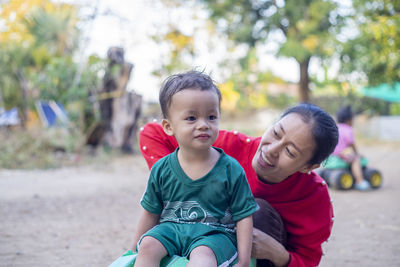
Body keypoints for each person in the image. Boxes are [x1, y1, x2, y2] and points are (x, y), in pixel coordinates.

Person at [139, 102, 339, 267]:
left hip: (256, 251)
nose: (271, 150)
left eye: (290, 152)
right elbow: (152, 132)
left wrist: (279, 254)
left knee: (257, 211)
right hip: (200, 237)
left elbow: (308, 260)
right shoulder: (229, 147)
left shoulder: (314, 197)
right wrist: (181, 185)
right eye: (276, 133)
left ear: (308, 167)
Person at [131, 71, 258, 267]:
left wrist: (243, 261)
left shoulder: (231, 169)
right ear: (168, 127)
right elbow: (150, 212)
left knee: (203, 257)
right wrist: (133, 251)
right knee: (148, 245)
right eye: (191, 118)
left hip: (214, 234)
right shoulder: (162, 169)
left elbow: (244, 217)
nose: (203, 125)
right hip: (171, 229)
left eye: (211, 117)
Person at [331, 105, 370, 191]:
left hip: (332, 154)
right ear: (349, 120)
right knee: (355, 159)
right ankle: (360, 181)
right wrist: (357, 153)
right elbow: (351, 144)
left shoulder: (335, 128)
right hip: (341, 154)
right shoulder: (348, 129)